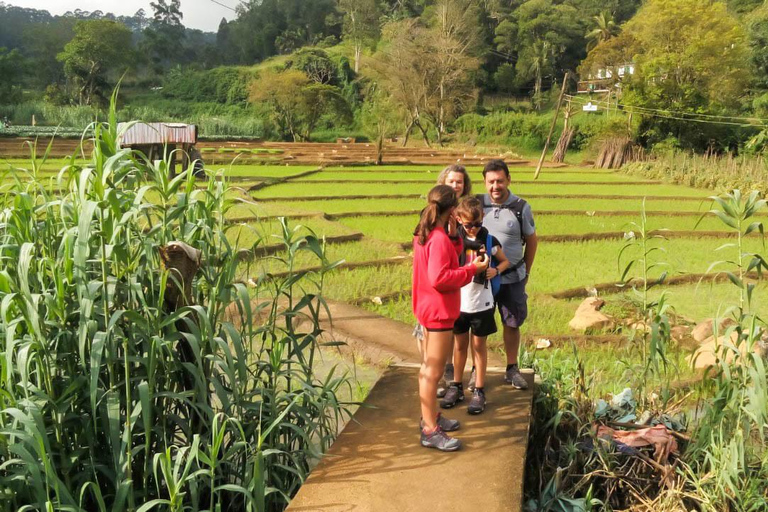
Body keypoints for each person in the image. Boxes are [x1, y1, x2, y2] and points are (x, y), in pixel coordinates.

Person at [412, 185, 488, 451]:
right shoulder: (438, 239)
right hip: (440, 312)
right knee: (432, 372)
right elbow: (440, 277)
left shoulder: (426, 233)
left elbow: (445, 259)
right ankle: (430, 430)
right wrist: (471, 269)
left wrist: (455, 235)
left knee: (427, 370)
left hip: (428, 308)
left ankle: (431, 417)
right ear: (452, 209)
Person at [440, 196, 510, 414]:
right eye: (469, 225)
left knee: (479, 347)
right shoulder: (454, 241)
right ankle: (457, 386)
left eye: (478, 224)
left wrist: (496, 270)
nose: (473, 229)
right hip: (459, 302)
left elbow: (506, 261)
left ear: (483, 219)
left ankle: (479, 390)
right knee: (459, 346)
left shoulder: (490, 242)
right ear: (459, 220)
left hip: (482, 302)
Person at [479, 160, 538, 390]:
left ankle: (512, 368)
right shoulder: (476, 204)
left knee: (512, 322)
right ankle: (477, 370)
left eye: (500, 181)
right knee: (480, 325)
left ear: (508, 180)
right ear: (485, 183)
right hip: (482, 279)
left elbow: (532, 241)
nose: (496, 186)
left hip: (512, 277)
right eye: (491, 181)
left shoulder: (521, 207)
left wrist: (527, 271)